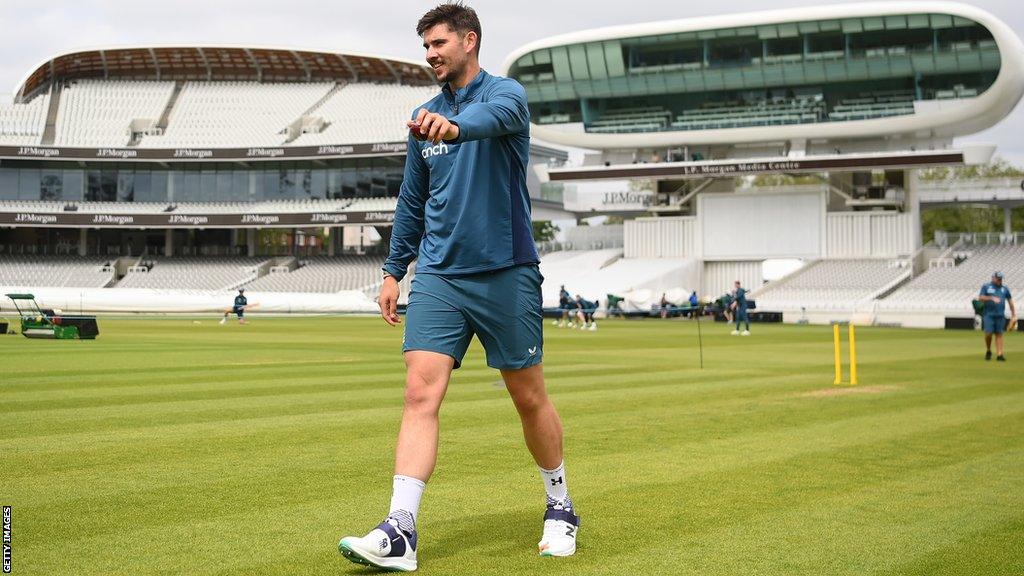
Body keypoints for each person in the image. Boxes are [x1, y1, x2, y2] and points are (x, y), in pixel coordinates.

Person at [338, 4, 579, 571]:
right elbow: (413, 202)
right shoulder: (423, 116)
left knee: (528, 397)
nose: (431, 54)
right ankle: (400, 530)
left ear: (470, 41)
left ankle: (560, 506)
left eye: (439, 43)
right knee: (419, 394)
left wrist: (456, 127)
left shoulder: (507, 96)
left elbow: (491, 120)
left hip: (506, 272)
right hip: (440, 275)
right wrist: (394, 270)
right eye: (425, 46)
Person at [978, 271, 1015, 361]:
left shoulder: (1005, 288)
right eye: (998, 279)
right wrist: (991, 298)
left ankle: (1000, 354)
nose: (1000, 280)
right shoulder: (986, 286)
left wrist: (1014, 314)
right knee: (988, 334)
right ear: (993, 278)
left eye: (1001, 279)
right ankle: (988, 350)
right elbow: (980, 298)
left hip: (1000, 315)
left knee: (999, 334)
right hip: (988, 315)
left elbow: (1010, 301)